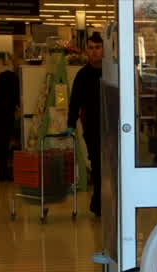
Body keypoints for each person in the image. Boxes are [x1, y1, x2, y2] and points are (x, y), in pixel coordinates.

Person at [67, 32, 104, 216]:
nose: (94, 52)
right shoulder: (83, 74)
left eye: (97, 47)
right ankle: (98, 204)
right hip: (92, 127)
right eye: (91, 48)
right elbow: (75, 100)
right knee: (97, 165)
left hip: (114, 126)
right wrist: (70, 123)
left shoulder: (113, 72)